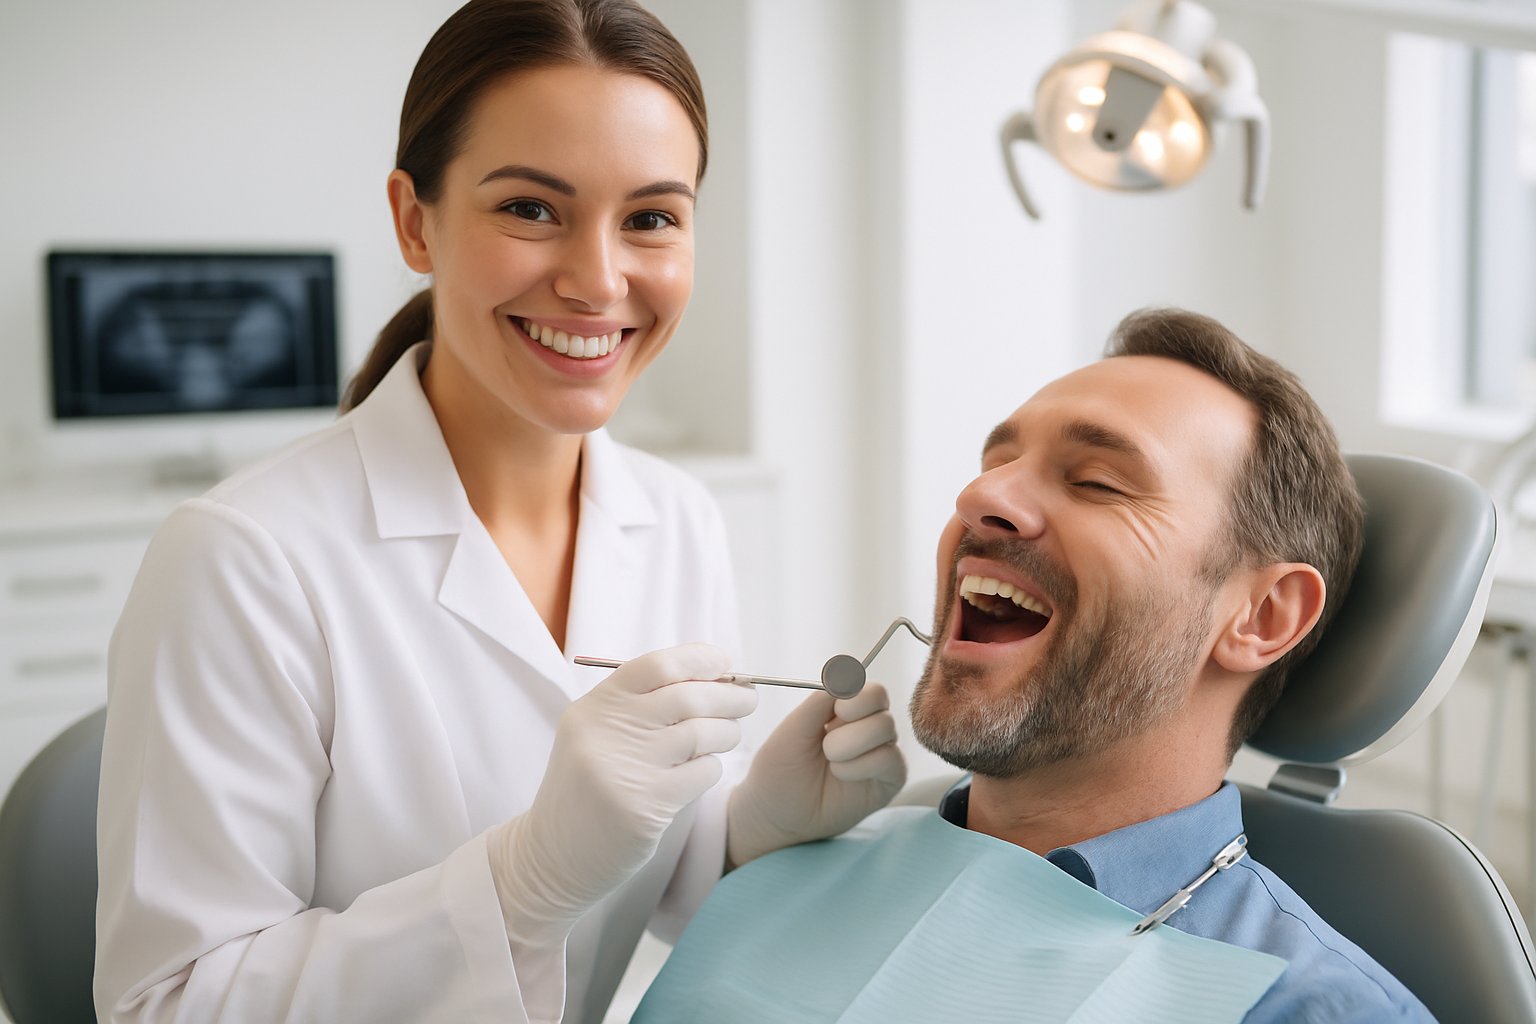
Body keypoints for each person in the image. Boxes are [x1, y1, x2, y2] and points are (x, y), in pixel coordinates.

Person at [92, 2, 904, 1022]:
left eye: (651, 217)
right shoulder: (245, 559)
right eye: (530, 208)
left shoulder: (678, 518)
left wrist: (750, 831)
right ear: (413, 219)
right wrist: (522, 883)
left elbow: (649, 872)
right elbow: (163, 1003)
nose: (597, 281)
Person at [635, 308, 1436, 1023]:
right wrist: (745, 851)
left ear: (1261, 617)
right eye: (997, 462)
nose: (982, 497)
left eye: (1097, 481)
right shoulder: (792, 873)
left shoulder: (1312, 1006)